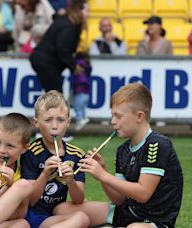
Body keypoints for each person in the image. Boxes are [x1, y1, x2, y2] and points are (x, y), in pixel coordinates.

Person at [54, 83, 183, 228]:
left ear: (139, 116)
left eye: (118, 116)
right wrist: (102, 174)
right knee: (61, 210)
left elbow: (143, 193)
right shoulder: (123, 149)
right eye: (112, 115)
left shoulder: (157, 145)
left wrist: (103, 174)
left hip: (154, 220)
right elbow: (119, 200)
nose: (112, 121)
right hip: (127, 210)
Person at [0, 90, 89, 228]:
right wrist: (45, 174)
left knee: (82, 218)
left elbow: (78, 199)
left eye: (61, 120)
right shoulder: (31, 152)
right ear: (37, 122)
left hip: (52, 216)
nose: (55, 126)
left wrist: (71, 181)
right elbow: (31, 201)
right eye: (48, 120)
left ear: (68, 122)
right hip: (29, 214)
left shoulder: (77, 155)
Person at [29, 0, 88, 93]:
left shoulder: (65, 22)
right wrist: (73, 65)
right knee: (55, 95)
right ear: (78, 11)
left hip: (43, 59)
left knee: (54, 93)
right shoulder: (69, 26)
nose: (88, 14)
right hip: (46, 61)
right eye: (86, 10)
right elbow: (62, 48)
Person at [72, 51, 91, 131]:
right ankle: (83, 117)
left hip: (79, 89)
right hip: (86, 91)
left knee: (77, 106)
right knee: (82, 106)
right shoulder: (88, 66)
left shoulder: (79, 63)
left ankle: (80, 119)